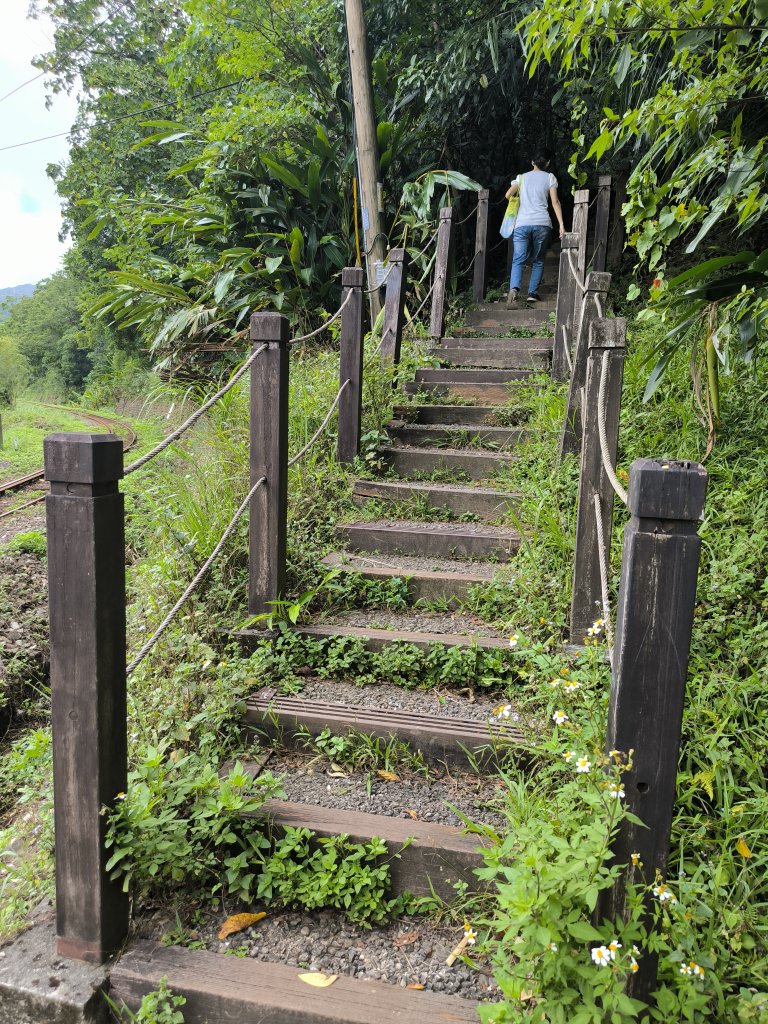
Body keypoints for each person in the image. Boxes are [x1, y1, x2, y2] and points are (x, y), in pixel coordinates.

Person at [505, 150, 565, 307]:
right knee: (538, 260)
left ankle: (514, 290)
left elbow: (507, 195)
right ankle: (532, 294)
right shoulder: (550, 177)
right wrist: (561, 225)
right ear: (547, 163)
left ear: (532, 162)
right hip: (542, 224)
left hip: (522, 224)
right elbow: (555, 202)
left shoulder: (521, 178)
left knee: (518, 259)